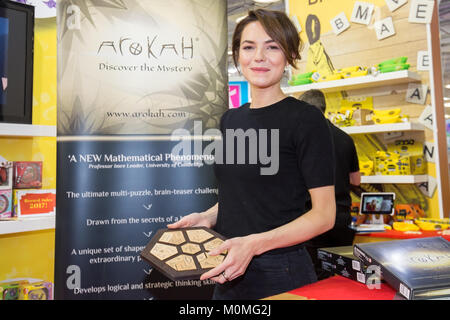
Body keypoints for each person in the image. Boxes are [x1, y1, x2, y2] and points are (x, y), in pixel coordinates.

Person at [168, 9, 336, 300]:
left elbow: (324, 215)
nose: (259, 56)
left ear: (288, 56)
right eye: (249, 47)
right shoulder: (230, 120)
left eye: (272, 47)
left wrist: (254, 244)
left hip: (281, 270)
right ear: (237, 55)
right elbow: (245, 196)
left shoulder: (305, 120)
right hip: (228, 264)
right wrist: (207, 217)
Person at [299, 89, 361, 280]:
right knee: (341, 277)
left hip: (312, 218)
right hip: (341, 218)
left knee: (315, 277)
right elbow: (355, 180)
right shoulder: (345, 138)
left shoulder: (302, 140)